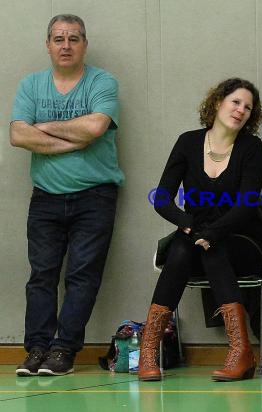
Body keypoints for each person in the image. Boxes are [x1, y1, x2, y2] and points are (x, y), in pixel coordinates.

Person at [10, 14, 122, 376]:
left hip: (95, 196)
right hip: (45, 196)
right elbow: (17, 136)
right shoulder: (31, 85)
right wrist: (72, 140)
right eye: (58, 38)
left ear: (84, 44)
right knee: (41, 276)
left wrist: (42, 131)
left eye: (74, 39)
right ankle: (37, 349)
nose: (66, 45)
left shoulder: (102, 81)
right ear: (48, 44)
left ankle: (63, 351)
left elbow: (95, 126)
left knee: (82, 275)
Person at [139, 78, 262, 382]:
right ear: (218, 102)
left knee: (212, 249)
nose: (241, 110)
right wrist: (187, 225)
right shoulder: (188, 142)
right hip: (193, 235)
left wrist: (211, 233)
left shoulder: (251, 147)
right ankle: (148, 352)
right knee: (184, 248)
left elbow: (246, 206)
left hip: (242, 239)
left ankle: (240, 352)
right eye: (236, 102)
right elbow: (162, 198)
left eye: (248, 107)